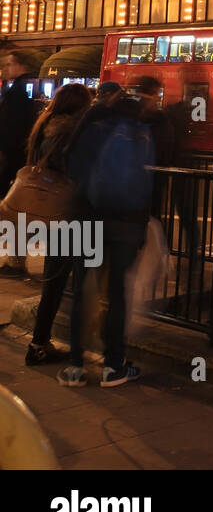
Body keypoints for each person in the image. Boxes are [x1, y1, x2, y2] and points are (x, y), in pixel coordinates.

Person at [58, 76, 163, 387]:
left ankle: (75, 367)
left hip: (86, 217)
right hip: (126, 222)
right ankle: (113, 366)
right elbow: (149, 181)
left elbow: (70, 161)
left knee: (83, 290)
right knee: (117, 292)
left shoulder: (92, 122)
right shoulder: (141, 131)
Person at [24, 83, 93, 366]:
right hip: (72, 214)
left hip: (51, 213)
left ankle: (39, 343)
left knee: (55, 281)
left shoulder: (45, 126)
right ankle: (50, 345)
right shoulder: (73, 132)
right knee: (82, 279)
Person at [0, 50, 42, 275]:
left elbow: (10, 129)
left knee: (14, 210)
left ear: (20, 65)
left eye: (9, 64)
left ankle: (16, 259)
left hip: (13, 160)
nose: (6, 69)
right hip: (21, 158)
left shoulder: (17, 91)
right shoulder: (30, 87)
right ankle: (16, 258)